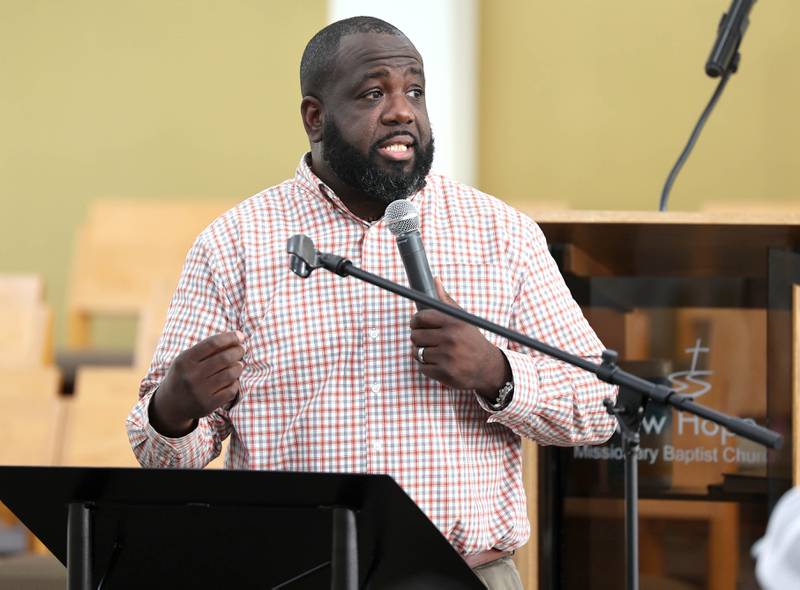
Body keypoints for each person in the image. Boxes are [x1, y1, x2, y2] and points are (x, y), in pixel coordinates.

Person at [126, 16, 617, 589]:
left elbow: (600, 407)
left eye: (415, 90)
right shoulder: (234, 244)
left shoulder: (502, 235)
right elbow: (160, 454)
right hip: (291, 574)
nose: (401, 110)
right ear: (315, 117)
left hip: (461, 577)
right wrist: (175, 407)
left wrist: (496, 373)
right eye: (372, 93)